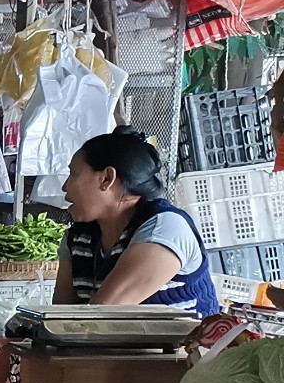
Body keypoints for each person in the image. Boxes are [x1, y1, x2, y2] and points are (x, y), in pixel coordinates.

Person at [56, 129, 219, 311]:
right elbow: (60, 315)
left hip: (188, 340)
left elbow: (100, 316)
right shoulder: (78, 238)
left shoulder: (164, 230)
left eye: (74, 174)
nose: (65, 187)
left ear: (107, 179)